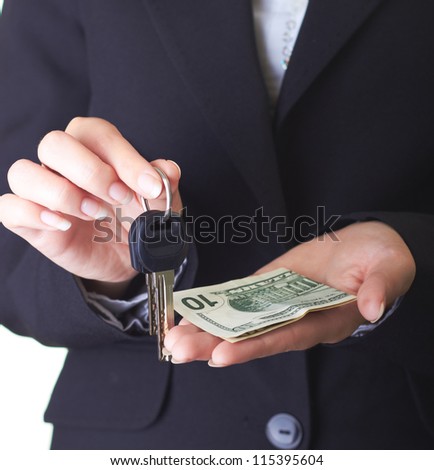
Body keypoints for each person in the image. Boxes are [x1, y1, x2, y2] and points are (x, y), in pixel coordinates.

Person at [0, 0, 433, 450]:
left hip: (395, 427)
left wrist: (414, 251)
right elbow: (8, 248)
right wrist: (112, 277)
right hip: (147, 441)